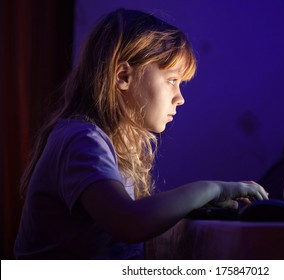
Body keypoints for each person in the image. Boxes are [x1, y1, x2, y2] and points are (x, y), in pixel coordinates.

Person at [14, 8, 268, 259]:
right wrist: (212, 189)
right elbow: (130, 222)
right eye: (171, 80)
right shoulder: (81, 140)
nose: (180, 98)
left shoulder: (103, 142)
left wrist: (196, 204)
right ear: (123, 75)